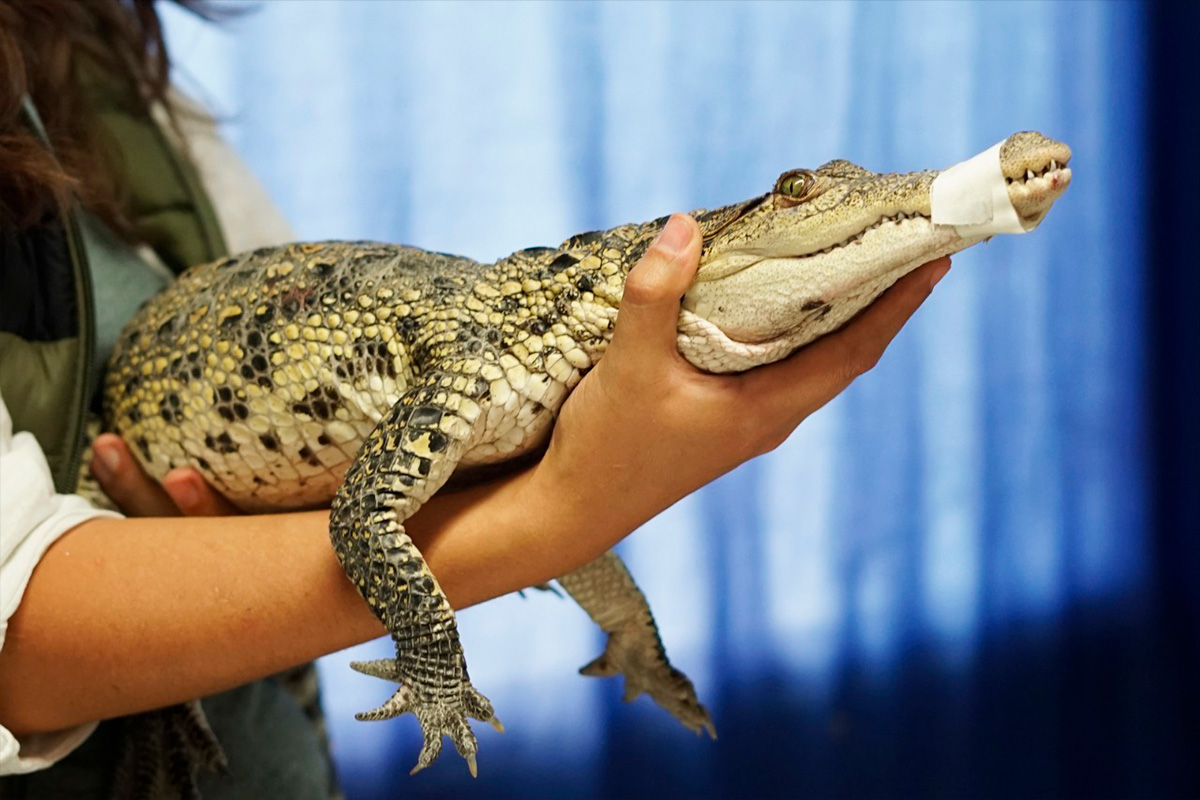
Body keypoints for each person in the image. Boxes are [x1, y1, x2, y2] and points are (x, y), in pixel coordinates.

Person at [0, 0, 951, 797]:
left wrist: (633, 640)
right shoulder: (480, 350)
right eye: (797, 196)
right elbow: (369, 521)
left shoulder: (112, 64)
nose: (826, 207)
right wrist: (442, 651)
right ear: (690, 247)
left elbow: (546, 525)